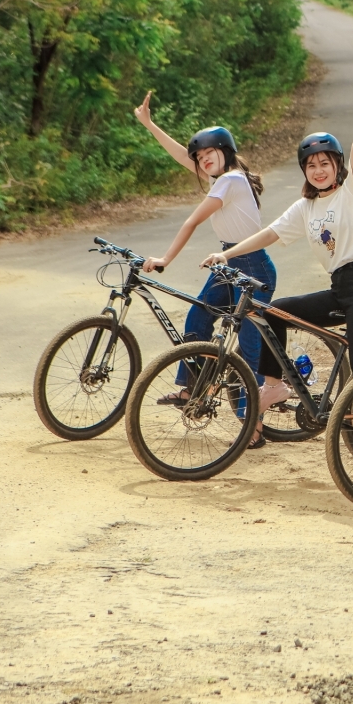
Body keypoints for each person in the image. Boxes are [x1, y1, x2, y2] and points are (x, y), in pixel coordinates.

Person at [204, 80, 353, 487]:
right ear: (305, 171)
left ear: (337, 165)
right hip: (340, 288)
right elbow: (271, 234)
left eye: (326, 162)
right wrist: (227, 253)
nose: (319, 169)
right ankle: (274, 386)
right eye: (312, 165)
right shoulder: (305, 206)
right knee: (274, 310)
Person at [133, 94, 276, 443]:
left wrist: (166, 258)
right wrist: (150, 124)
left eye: (208, 152)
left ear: (225, 150)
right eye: (199, 156)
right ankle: (191, 390)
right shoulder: (222, 178)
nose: (201, 159)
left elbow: (192, 221)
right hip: (229, 262)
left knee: (250, 347)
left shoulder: (232, 180)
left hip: (253, 268)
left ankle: (251, 426)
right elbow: (181, 155)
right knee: (197, 318)